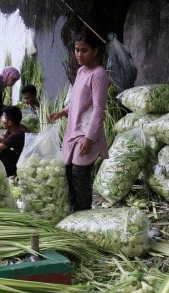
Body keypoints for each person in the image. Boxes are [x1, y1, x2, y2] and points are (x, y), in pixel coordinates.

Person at [47, 30, 110, 212]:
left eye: (84, 51)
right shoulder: (81, 71)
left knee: (79, 177)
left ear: (95, 51)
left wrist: (89, 138)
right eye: (76, 50)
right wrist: (62, 112)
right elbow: (78, 102)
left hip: (86, 135)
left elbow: (98, 109)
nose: (79, 55)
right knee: (68, 174)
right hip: (72, 133)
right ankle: (73, 216)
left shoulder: (98, 75)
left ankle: (84, 217)